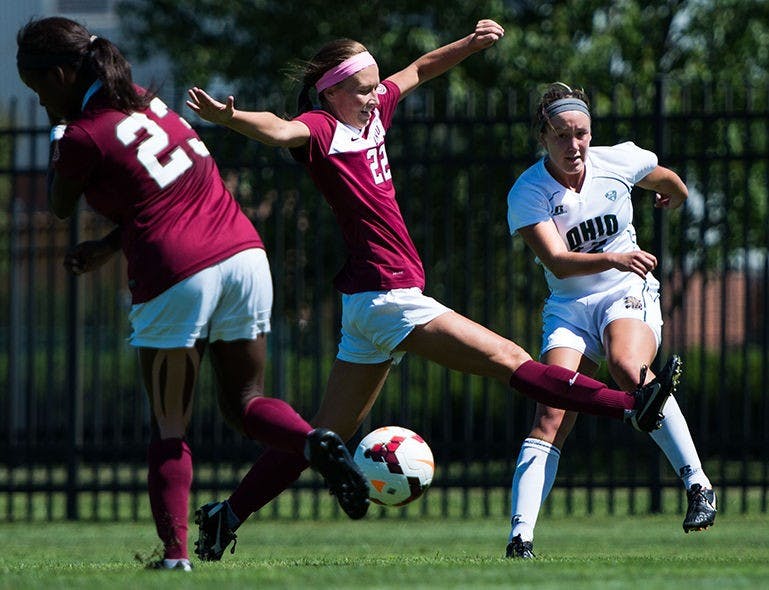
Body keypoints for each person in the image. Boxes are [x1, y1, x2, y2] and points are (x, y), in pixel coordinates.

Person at [185, 19, 683, 561]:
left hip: (368, 306)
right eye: (363, 89)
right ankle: (631, 406)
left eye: (376, 85)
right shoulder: (323, 128)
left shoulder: (373, 118)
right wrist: (230, 118)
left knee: (324, 436)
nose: (376, 95)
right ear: (330, 92)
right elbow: (280, 130)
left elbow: (420, 68)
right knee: (512, 361)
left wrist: (469, 45)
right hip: (388, 297)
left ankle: (224, 516)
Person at [16, 16, 369, 572]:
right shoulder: (145, 103)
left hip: (176, 270)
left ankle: (176, 555)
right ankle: (314, 441)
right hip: (244, 253)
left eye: (39, 92)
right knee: (246, 401)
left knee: (170, 424)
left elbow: (59, 205)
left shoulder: (81, 133)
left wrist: (61, 132)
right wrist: (111, 244)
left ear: (60, 74)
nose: (39, 104)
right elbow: (160, 192)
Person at [503, 82, 716, 559]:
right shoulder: (528, 191)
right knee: (551, 412)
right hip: (570, 307)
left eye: (581, 133)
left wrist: (674, 195)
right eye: (561, 135)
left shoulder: (617, 160)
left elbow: (666, 179)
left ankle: (699, 485)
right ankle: (521, 538)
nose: (574, 145)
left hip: (625, 293)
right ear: (543, 137)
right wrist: (616, 258)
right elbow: (557, 261)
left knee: (626, 366)